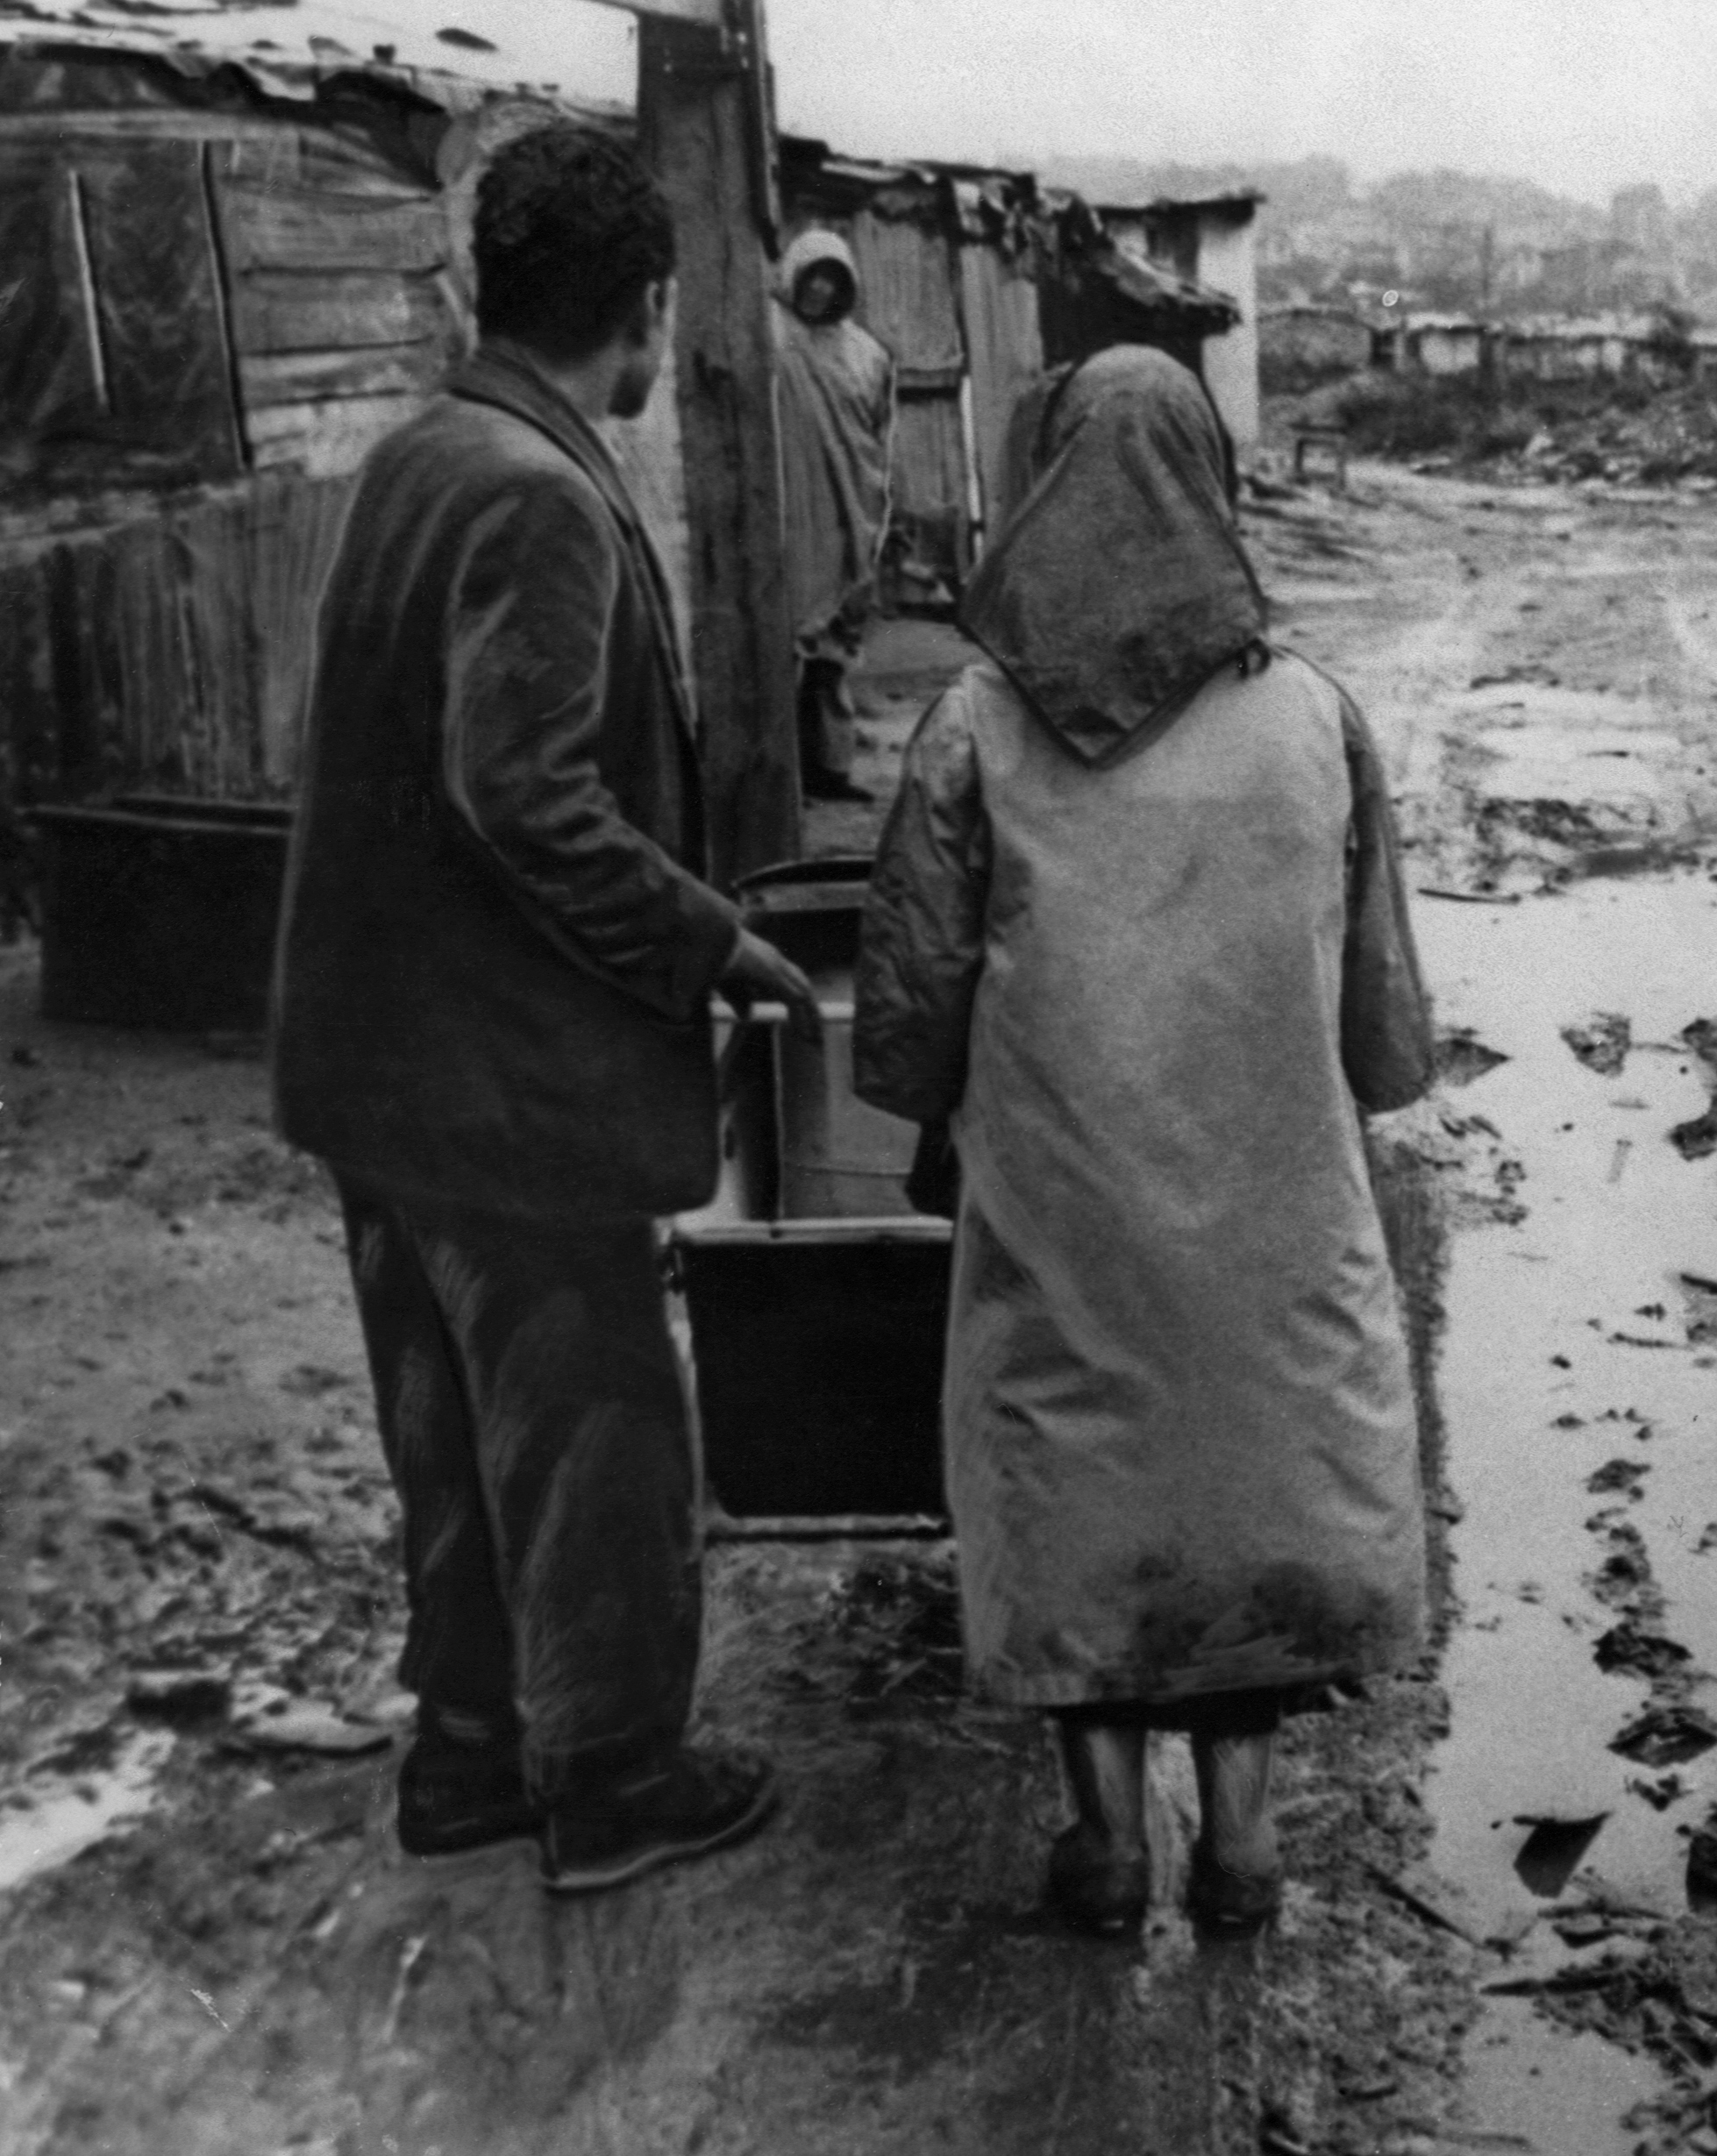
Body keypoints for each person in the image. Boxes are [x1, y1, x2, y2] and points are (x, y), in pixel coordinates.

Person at [269, 125, 814, 1895]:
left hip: (381, 1072)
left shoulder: (426, 448)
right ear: (647, 307)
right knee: (593, 1428)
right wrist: (706, 938)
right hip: (498, 1082)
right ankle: (612, 1778)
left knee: (447, 1427)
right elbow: (526, 793)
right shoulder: (537, 491)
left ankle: (472, 1761)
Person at [853, 345, 1434, 1939]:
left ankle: (1102, 1832)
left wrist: (927, 1118)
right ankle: (1240, 1837)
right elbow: (1380, 1013)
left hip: (1058, 1205)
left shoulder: (976, 724)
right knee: (1248, 1486)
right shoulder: (1314, 717)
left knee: (1076, 1490)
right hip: (1268, 1202)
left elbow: (909, 989)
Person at [774, 230, 898, 803]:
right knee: (786, 643)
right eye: (812, 273)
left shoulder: (868, 354)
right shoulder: (771, 336)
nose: (821, 286)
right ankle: (781, 774)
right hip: (793, 510)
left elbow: (877, 436)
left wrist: (872, 508)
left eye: (834, 276)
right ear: (793, 274)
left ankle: (830, 767)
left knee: (833, 651)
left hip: (849, 509)